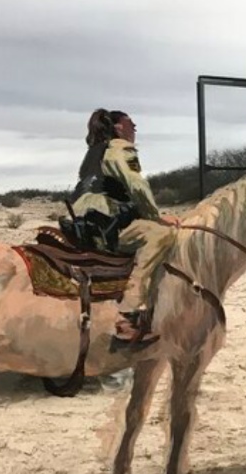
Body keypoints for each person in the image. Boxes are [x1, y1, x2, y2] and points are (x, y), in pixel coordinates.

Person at [72, 109, 180, 345]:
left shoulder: (94, 152)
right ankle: (128, 313)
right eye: (131, 123)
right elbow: (137, 185)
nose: (135, 128)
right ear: (118, 127)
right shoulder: (121, 148)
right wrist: (156, 217)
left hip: (82, 221)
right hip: (106, 222)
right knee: (161, 235)